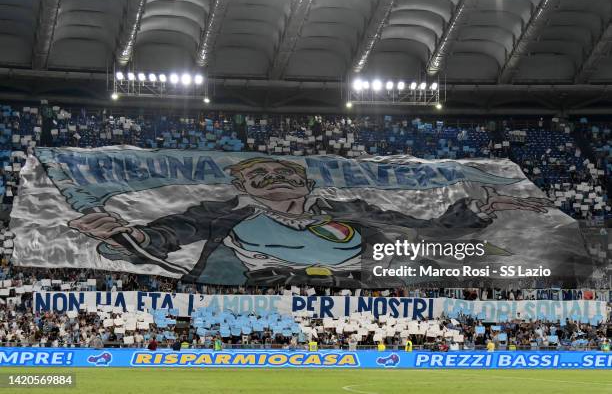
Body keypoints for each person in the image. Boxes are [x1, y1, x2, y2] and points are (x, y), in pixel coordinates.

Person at [70, 157, 552, 286]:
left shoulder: (348, 213)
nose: (272, 178)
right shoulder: (224, 214)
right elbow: (167, 234)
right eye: (259, 175)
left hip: (342, 289)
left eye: (283, 173)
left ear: (306, 185)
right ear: (244, 190)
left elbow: (423, 231)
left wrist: (485, 209)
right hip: (248, 290)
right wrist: (127, 238)